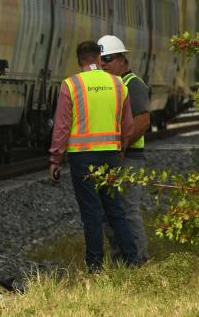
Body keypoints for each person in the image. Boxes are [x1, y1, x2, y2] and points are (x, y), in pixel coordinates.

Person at [49, 40, 139, 271]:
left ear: (79, 60)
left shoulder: (71, 85)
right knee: (115, 209)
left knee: (91, 211)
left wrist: (55, 160)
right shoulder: (119, 85)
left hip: (82, 156)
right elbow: (127, 126)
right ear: (99, 58)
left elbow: (61, 126)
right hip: (110, 155)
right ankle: (132, 260)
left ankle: (95, 265)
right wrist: (121, 148)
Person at [99, 34, 151, 263]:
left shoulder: (133, 84)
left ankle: (139, 260)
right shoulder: (112, 85)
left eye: (108, 59)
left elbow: (142, 120)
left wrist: (122, 145)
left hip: (129, 158)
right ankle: (122, 261)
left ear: (122, 60)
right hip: (115, 157)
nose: (103, 64)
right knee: (110, 215)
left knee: (128, 212)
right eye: (100, 60)